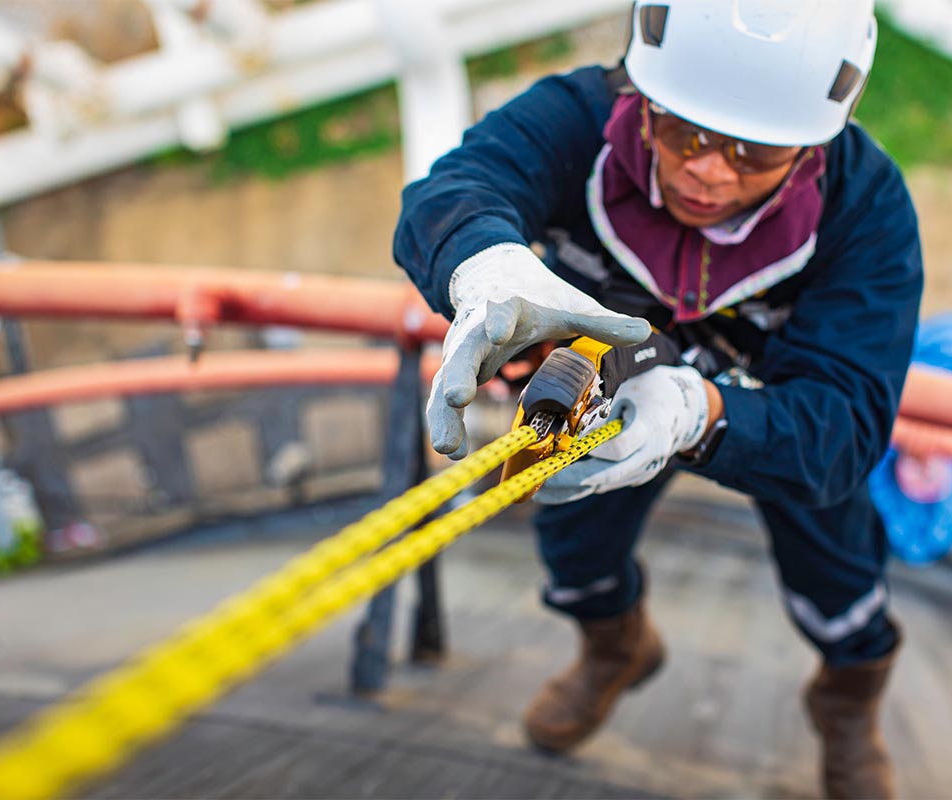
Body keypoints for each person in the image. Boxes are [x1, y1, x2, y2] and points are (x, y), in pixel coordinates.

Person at [394, 2, 922, 797]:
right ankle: (614, 648)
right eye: (685, 132)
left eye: (756, 151)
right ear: (641, 96)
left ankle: (847, 704)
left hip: (771, 415)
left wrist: (703, 412)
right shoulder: (576, 119)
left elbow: (842, 427)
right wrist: (487, 269)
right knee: (572, 536)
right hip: (613, 386)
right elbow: (457, 191)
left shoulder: (867, 210)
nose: (710, 171)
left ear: (813, 144)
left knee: (839, 564)